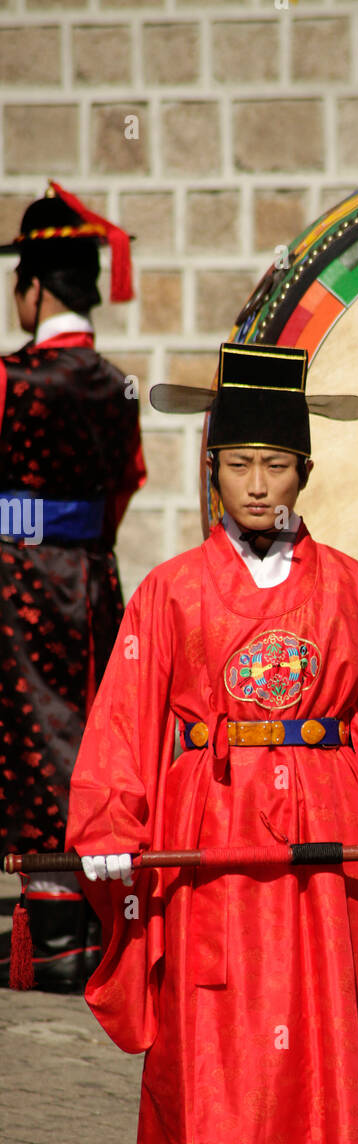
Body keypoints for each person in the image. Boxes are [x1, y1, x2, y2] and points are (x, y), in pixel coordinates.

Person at [65, 341, 358, 1144]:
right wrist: (109, 829)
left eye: (276, 465)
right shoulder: (169, 591)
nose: (258, 484)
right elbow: (123, 719)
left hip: (330, 840)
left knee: (330, 1027)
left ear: (305, 473)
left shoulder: (351, 587)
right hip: (208, 839)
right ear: (212, 472)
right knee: (210, 1032)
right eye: (239, 464)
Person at [0, 182, 145, 993]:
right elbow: (126, 484)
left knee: (31, 735)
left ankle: (52, 927)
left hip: (16, 580)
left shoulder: (11, 379)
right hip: (93, 575)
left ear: (37, 286)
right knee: (91, 726)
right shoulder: (117, 384)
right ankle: (92, 913)